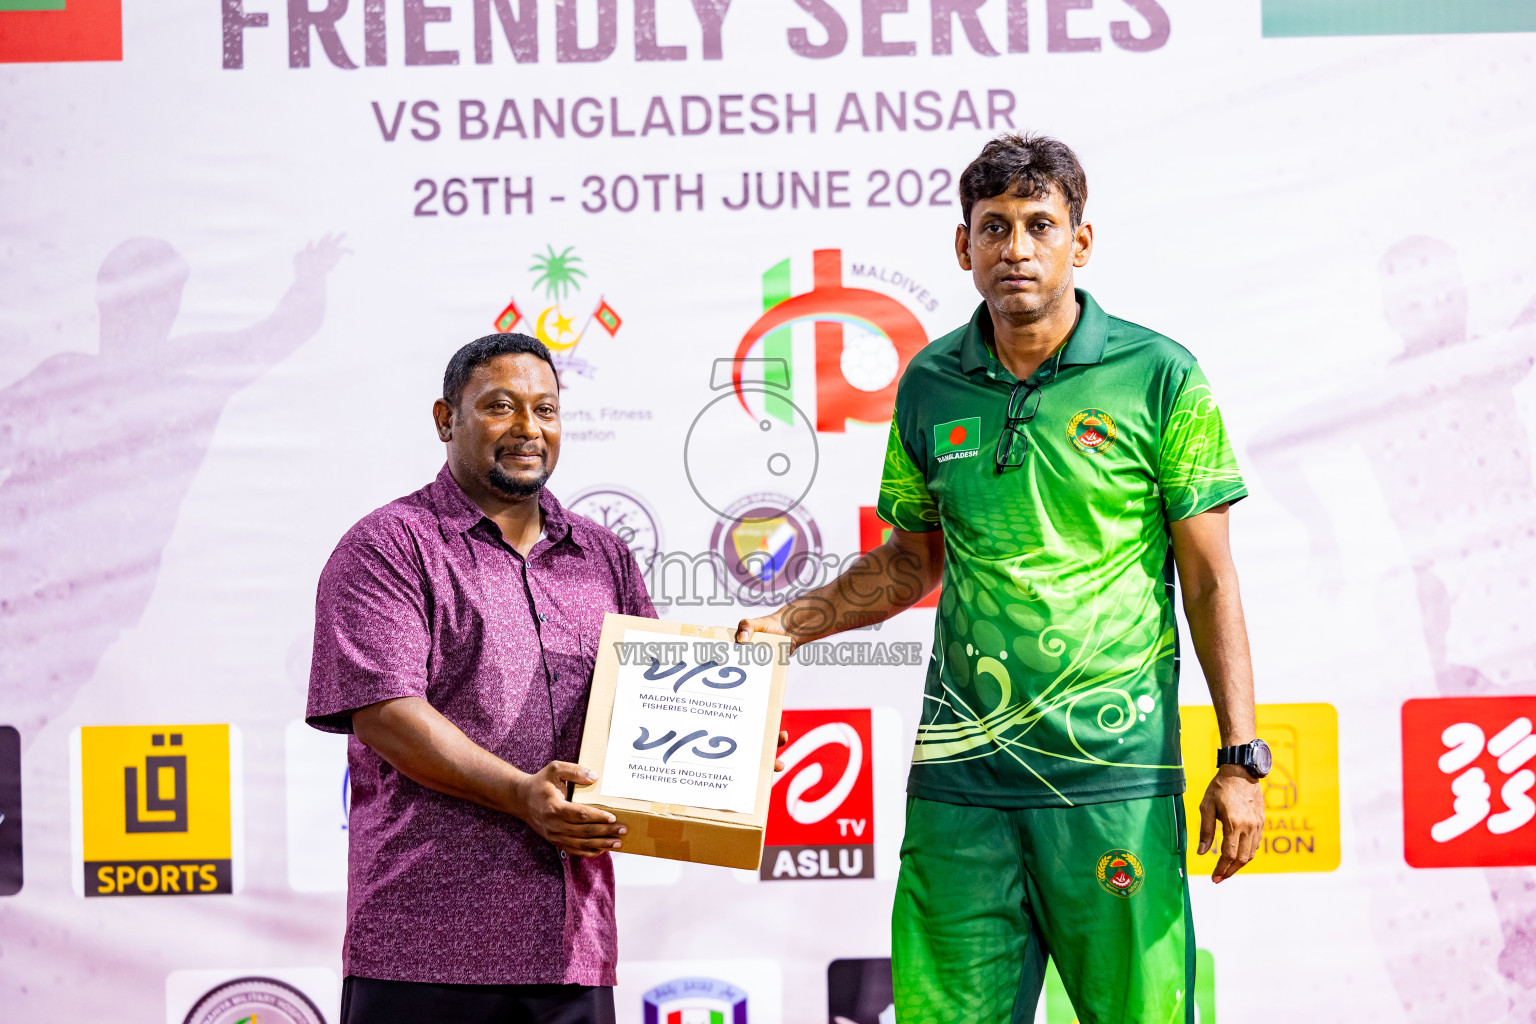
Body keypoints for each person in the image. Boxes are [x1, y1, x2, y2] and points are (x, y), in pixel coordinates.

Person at [737, 133, 1267, 1024]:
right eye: (994, 228)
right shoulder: (931, 383)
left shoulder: (1160, 376)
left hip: (1112, 778)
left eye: (1039, 225)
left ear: (1079, 242)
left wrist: (1241, 758)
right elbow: (909, 563)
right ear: (964, 245)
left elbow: (1210, 581)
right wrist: (793, 622)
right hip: (960, 785)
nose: (1016, 248)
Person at [306, 333, 649, 1024]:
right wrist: (523, 794)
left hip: (571, 949)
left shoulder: (604, 556)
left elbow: (649, 706)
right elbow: (386, 712)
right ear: (445, 420)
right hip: (425, 950)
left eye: (547, 410)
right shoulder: (389, 546)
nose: (529, 429)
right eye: (501, 406)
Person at [0, 234, 345, 744]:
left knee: (31, 715)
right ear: (104, 302)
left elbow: (276, 334)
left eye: (157, 300)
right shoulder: (64, 377)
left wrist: (308, 280)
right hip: (27, 586)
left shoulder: (188, 371)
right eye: (129, 300)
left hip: (99, 599)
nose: (139, 314)